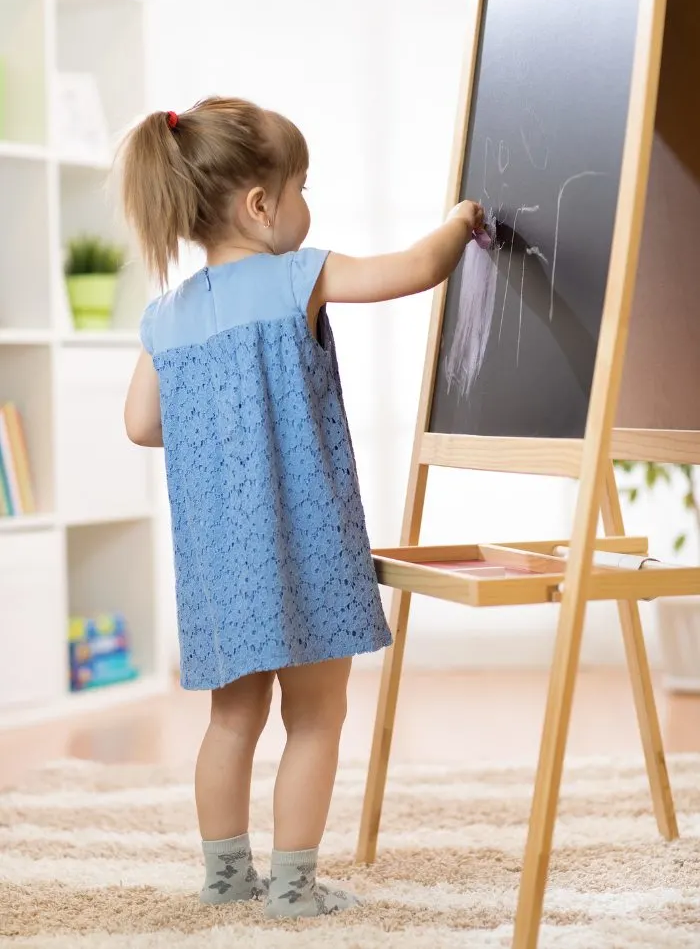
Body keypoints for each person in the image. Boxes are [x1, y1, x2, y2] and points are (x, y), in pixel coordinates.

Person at [120, 96, 483, 918]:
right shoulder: (298, 275)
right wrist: (459, 223)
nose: (306, 203)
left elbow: (142, 424)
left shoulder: (165, 317)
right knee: (316, 716)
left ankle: (223, 879)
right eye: (302, 186)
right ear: (261, 205)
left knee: (233, 720)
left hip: (221, 559)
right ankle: (293, 888)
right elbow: (415, 270)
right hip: (309, 544)